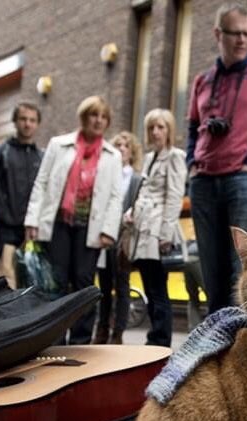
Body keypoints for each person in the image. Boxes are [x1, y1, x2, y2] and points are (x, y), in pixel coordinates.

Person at [187, 2, 247, 314]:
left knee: (243, 269)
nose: (243, 39)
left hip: (244, 179)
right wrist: (192, 163)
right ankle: (217, 345)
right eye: (235, 33)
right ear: (219, 34)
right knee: (212, 272)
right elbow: (192, 126)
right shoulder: (202, 81)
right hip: (203, 181)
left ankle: (243, 345)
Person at [24, 95, 123, 345]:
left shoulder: (112, 155)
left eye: (103, 117)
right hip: (58, 224)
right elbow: (42, 182)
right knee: (56, 282)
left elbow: (115, 196)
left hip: (91, 229)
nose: (98, 121)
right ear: (83, 117)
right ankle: (53, 338)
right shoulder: (59, 145)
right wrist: (32, 221)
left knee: (83, 284)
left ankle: (80, 340)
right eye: (94, 115)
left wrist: (109, 231)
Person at [122, 109, 187, 347]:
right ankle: (155, 337)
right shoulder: (149, 158)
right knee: (150, 287)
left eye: (160, 127)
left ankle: (160, 341)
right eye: (151, 127)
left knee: (158, 289)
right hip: (142, 231)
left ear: (169, 130)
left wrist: (166, 234)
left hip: (158, 232)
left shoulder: (175, 156)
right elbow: (144, 192)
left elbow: (174, 197)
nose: (156, 132)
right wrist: (131, 213)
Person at [0, 102, 44, 286]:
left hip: (33, 230)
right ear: (15, 121)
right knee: (5, 281)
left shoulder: (42, 157)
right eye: (23, 119)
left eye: (32, 120)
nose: (27, 124)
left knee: (31, 280)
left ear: (37, 124)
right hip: (6, 228)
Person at [96, 131, 142, 345]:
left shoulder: (137, 179)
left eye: (126, 145)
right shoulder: (105, 176)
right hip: (105, 238)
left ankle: (118, 333)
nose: (122, 148)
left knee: (122, 287)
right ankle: (102, 329)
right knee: (103, 288)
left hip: (124, 239)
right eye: (118, 145)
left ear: (132, 152)